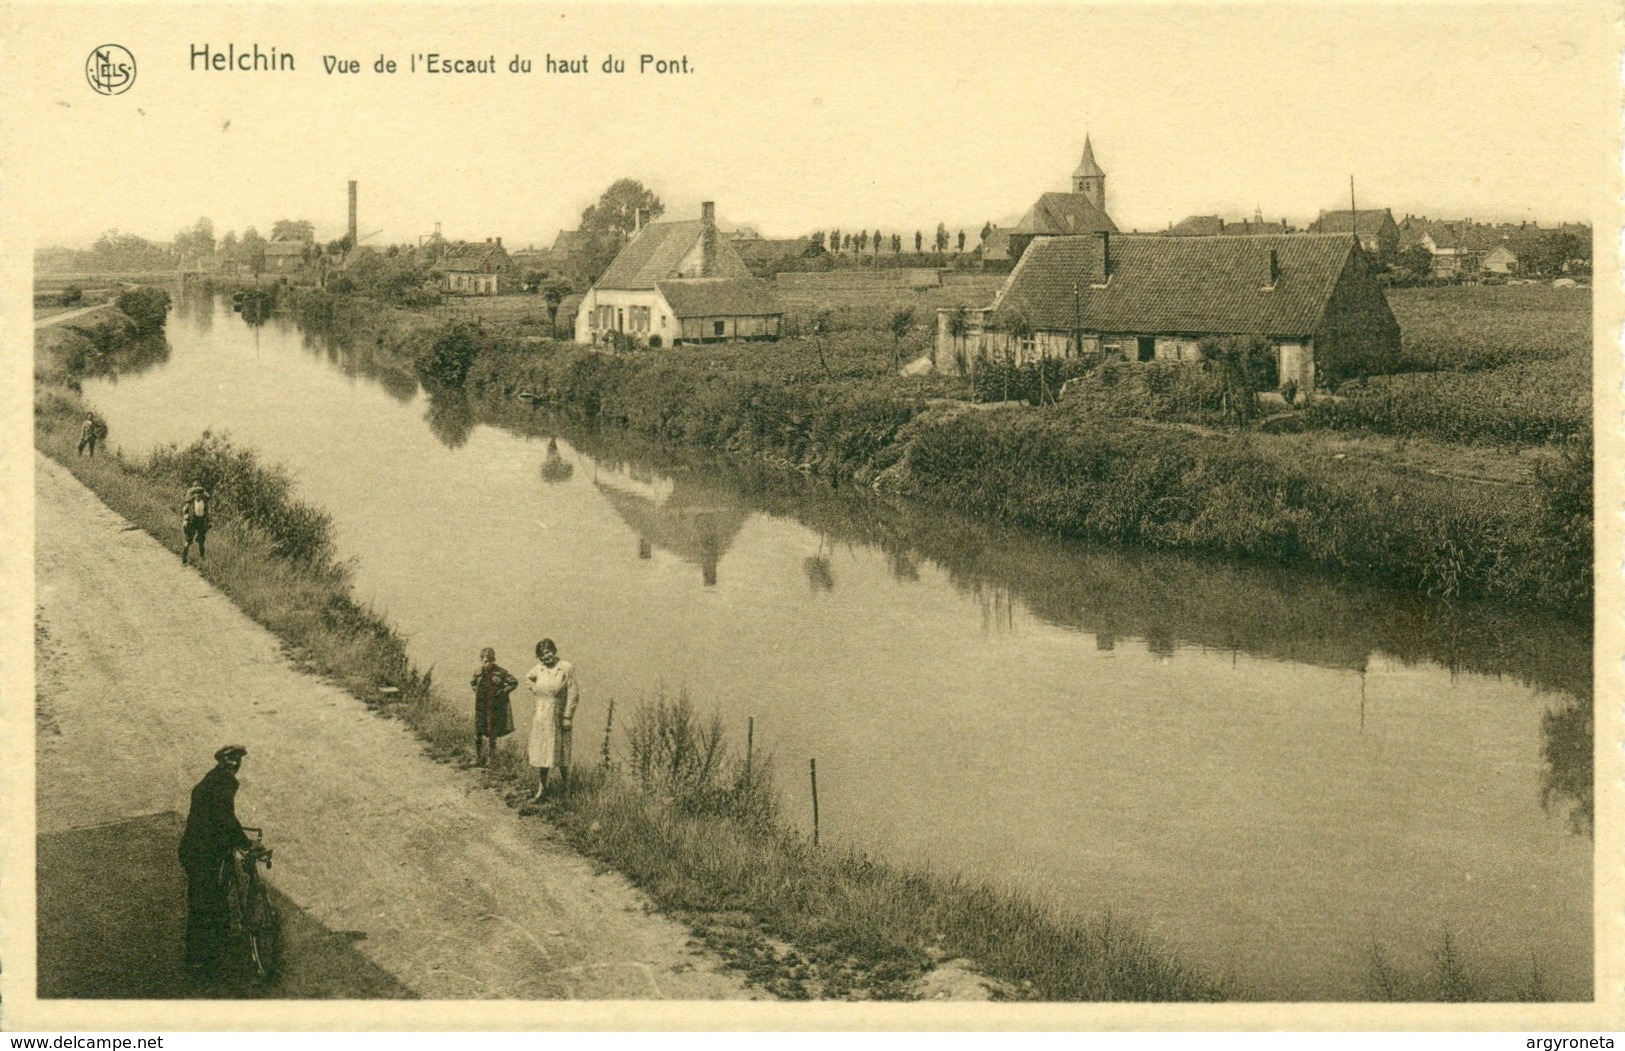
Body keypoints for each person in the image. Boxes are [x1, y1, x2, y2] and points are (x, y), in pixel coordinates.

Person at [178, 745, 252, 987]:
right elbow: (225, 818)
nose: (235, 763)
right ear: (220, 760)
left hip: (203, 849)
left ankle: (212, 951)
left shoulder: (214, 779)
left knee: (213, 898)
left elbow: (223, 818)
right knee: (203, 902)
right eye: (230, 759)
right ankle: (198, 959)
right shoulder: (223, 783)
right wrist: (244, 842)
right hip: (200, 852)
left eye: (238, 759)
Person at [525, 638, 579, 802]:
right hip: (541, 715)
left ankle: (567, 790)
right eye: (542, 655)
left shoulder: (565, 668)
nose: (545, 657)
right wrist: (534, 688)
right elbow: (527, 677)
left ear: (554, 651)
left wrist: (568, 716)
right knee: (542, 752)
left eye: (548, 653)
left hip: (558, 714)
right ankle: (542, 790)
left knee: (561, 752)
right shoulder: (539, 668)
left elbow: (573, 693)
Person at [469, 646, 518, 767]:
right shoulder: (478, 672)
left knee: (492, 733)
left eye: (491, 661)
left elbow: (514, 682)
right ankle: (478, 758)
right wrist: (477, 692)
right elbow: (473, 683)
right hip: (480, 706)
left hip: (494, 706)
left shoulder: (501, 672)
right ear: (481, 660)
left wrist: (504, 691)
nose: (488, 664)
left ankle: (491, 759)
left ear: (494, 660)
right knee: (478, 733)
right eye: (485, 661)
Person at [181, 483, 211, 565]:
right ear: (194, 494)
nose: (198, 495)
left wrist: (208, 522)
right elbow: (185, 508)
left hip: (201, 522)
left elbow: (207, 512)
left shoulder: (204, 502)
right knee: (188, 541)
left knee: (201, 541)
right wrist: (186, 520)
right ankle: (184, 559)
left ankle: (202, 557)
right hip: (192, 522)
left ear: (202, 495)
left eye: (200, 494)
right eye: (196, 493)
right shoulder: (190, 502)